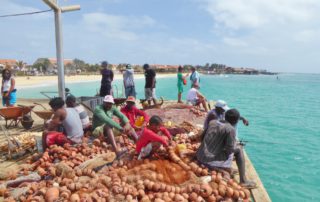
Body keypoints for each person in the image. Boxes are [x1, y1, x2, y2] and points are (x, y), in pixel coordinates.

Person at [196, 109, 256, 188]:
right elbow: (229, 150)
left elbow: (202, 137)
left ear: (225, 116)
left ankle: (225, 167)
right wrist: (234, 146)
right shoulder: (230, 129)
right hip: (209, 161)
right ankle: (243, 180)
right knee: (239, 149)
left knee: (229, 146)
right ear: (236, 121)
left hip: (200, 156)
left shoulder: (213, 122)